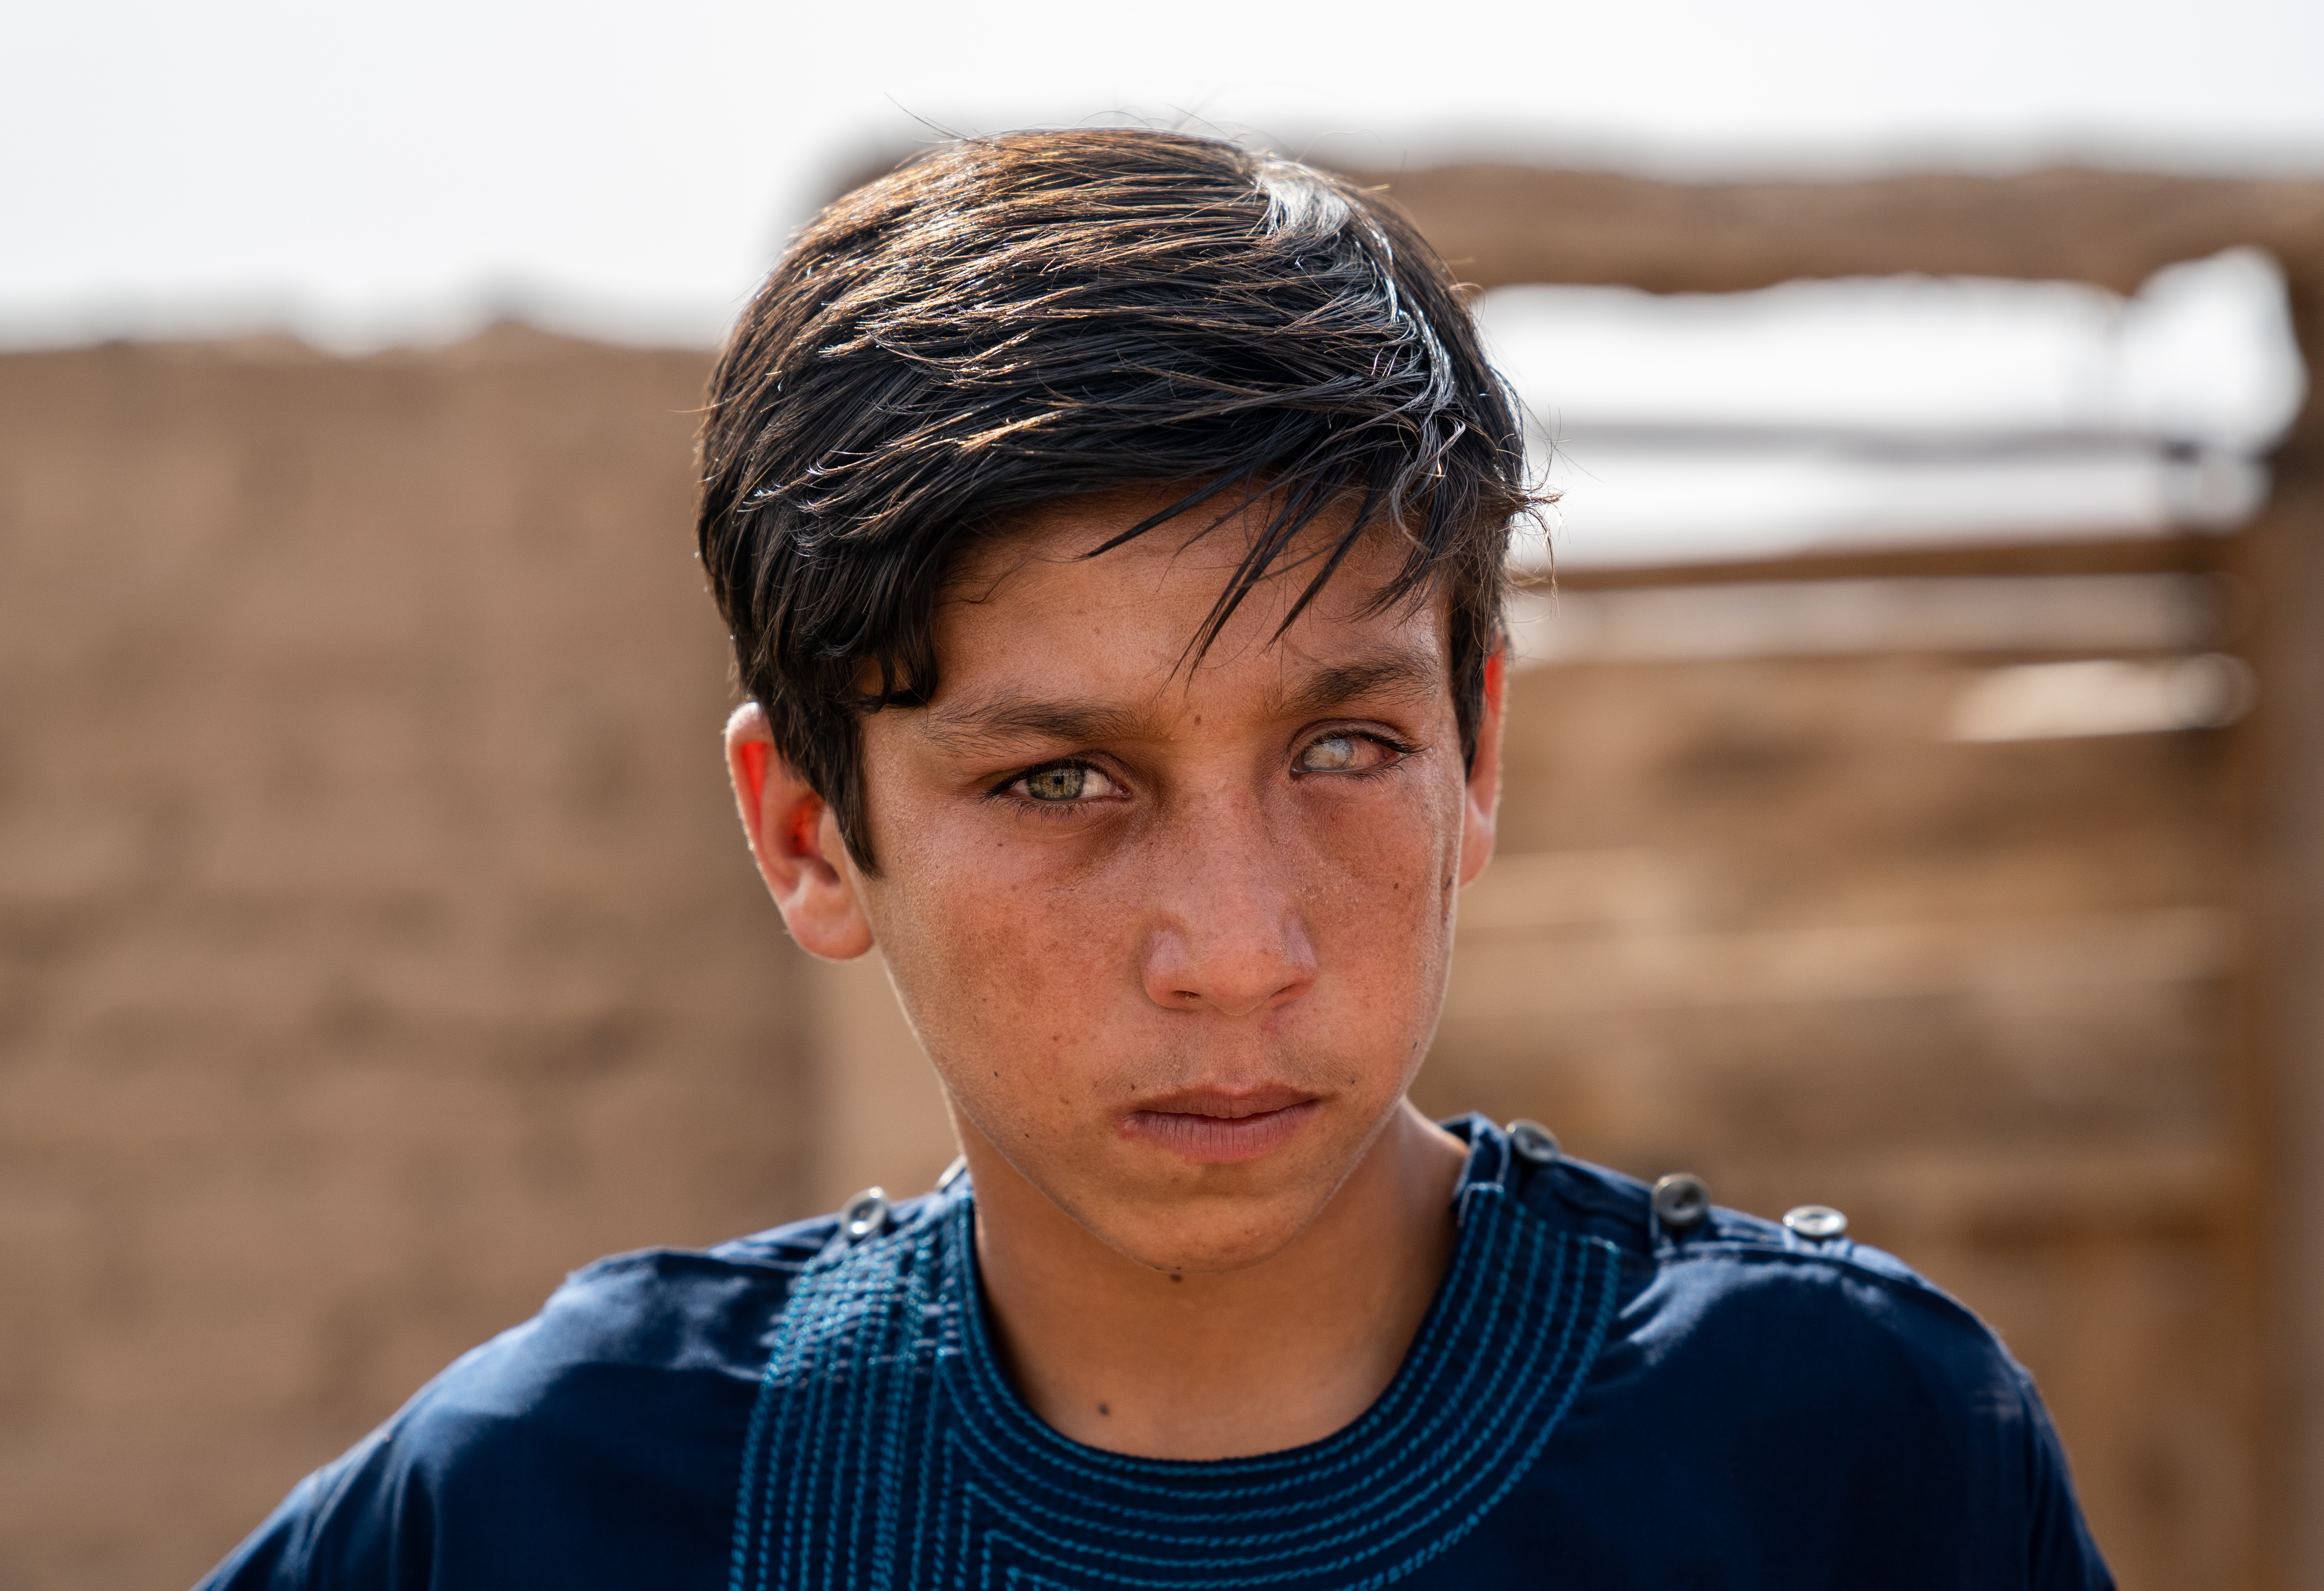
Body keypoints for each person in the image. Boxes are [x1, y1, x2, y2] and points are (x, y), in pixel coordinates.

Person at [196, 129, 2112, 1590]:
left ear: (1473, 758)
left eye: (1343, 751)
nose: (1235, 949)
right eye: (1059, 782)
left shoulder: (1836, 1456)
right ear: (810, 834)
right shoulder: (566, 1501)